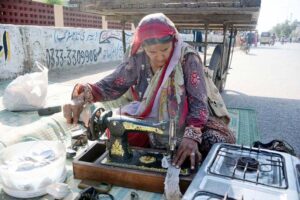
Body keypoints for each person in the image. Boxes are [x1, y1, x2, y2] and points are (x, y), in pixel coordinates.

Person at [63, 13, 235, 170]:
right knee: (118, 135)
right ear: (143, 46)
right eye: (152, 52)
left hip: (192, 120)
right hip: (151, 118)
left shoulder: (187, 57)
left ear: (173, 41)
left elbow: (199, 103)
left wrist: (192, 135)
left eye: (165, 50)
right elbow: (111, 84)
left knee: (218, 144)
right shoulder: (138, 59)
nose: (159, 57)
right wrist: (79, 100)